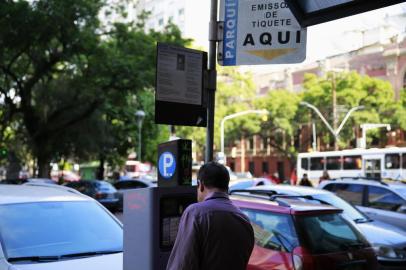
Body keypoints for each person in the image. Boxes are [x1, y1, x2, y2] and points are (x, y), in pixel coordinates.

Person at [166, 161, 254, 270]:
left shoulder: (195, 213)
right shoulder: (244, 220)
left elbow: (182, 264)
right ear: (226, 187)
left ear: (200, 185)